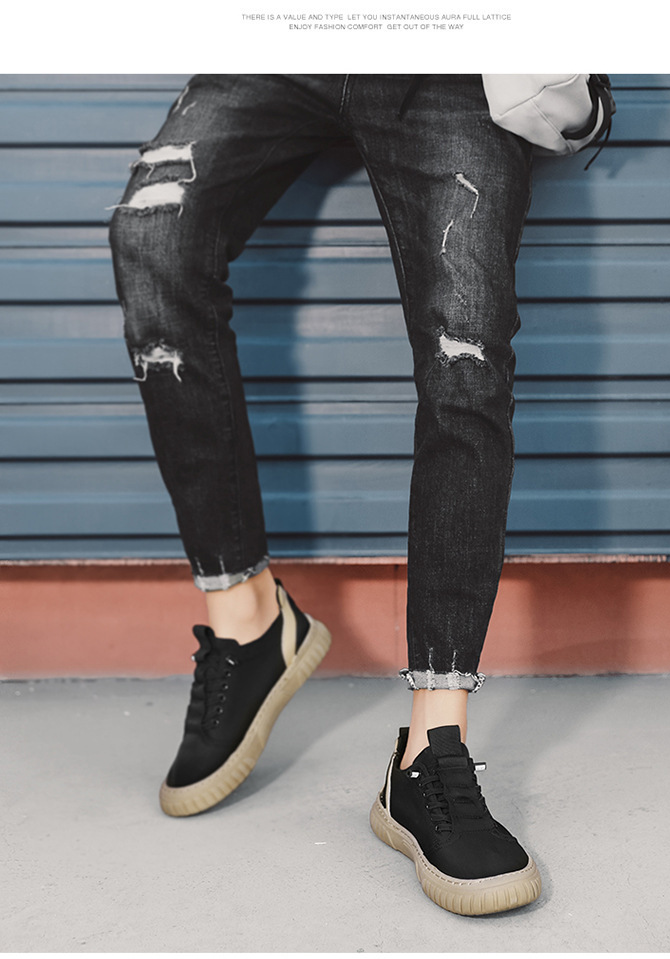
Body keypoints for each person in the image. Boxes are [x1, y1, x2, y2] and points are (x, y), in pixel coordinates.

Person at [108, 74, 541, 916]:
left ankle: (429, 748)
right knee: (152, 234)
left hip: (452, 51)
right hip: (290, 39)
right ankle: (249, 622)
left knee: (465, 346)